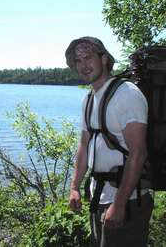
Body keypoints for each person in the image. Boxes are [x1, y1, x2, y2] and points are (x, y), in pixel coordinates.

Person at [65, 36, 153, 247]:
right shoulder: (88, 99)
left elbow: (138, 153)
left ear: (104, 59)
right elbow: (84, 145)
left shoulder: (126, 94)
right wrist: (75, 187)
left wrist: (119, 204)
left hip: (128, 201)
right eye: (78, 61)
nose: (83, 65)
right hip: (99, 197)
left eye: (88, 57)